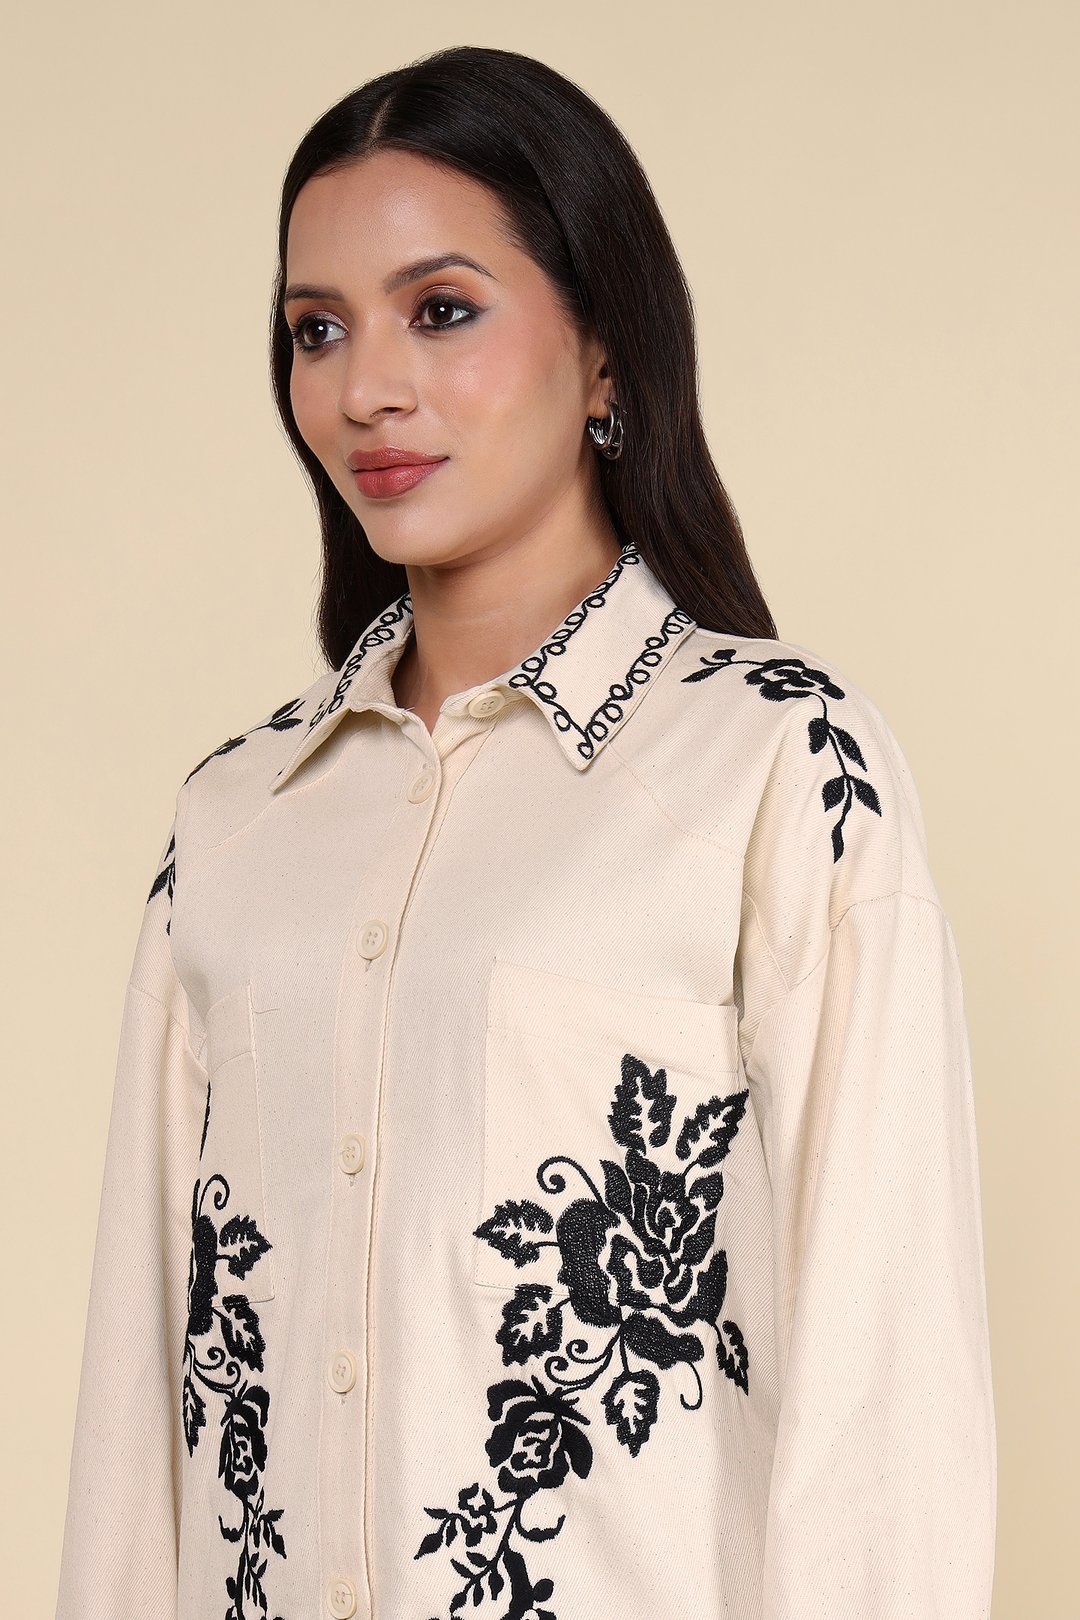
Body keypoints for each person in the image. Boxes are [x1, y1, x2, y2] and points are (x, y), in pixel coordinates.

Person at [54, 43, 996, 1620]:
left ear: (606, 350)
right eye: (316, 329)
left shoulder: (777, 764)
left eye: (441, 310)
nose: (365, 388)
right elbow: (139, 1417)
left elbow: (886, 1394)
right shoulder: (232, 821)